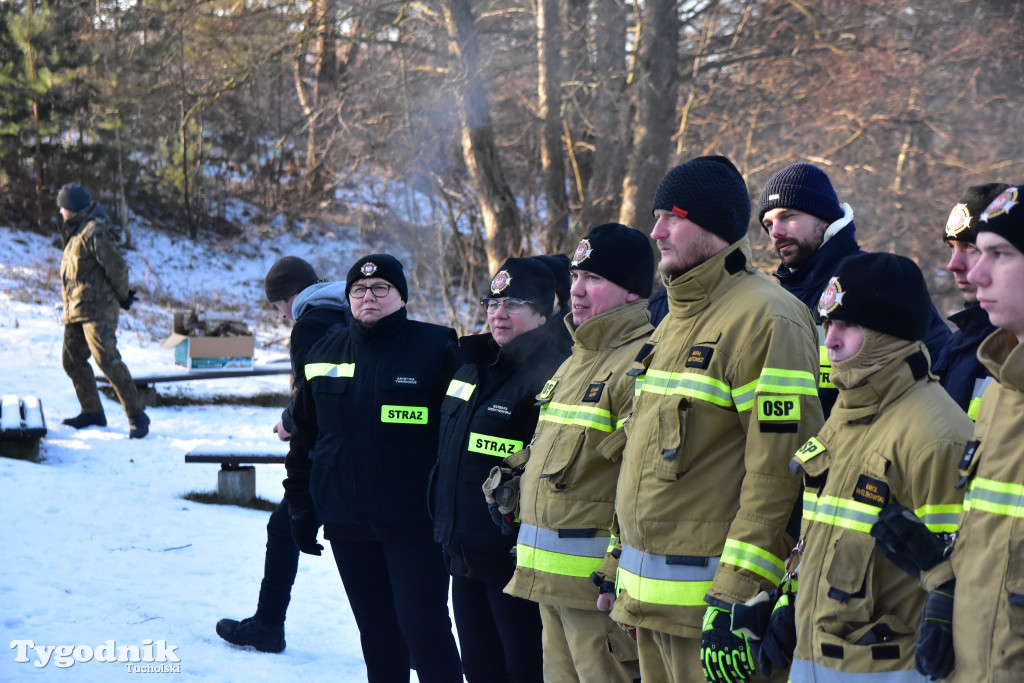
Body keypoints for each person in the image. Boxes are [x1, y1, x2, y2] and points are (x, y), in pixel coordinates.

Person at [611, 156, 824, 683]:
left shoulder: (767, 318)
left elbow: (779, 474)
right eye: (656, 216)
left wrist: (737, 596)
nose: (655, 231)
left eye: (672, 217)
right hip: (646, 606)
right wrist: (618, 567)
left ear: (713, 227)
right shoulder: (670, 320)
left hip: (712, 615)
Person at [776, 253, 972, 682]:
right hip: (815, 664)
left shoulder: (937, 436)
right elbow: (821, 542)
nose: (830, 340)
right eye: (828, 324)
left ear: (890, 334)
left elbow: (957, 579)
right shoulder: (843, 417)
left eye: (848, 325)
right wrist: (788, 604)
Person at [283, 254, 463, 682]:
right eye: (359, 290)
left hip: (415, 524)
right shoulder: (323, 351)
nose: (369, 297)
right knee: (377, 637)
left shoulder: (436, 348)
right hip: (347, 522)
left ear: (402, 297)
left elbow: (455, 438)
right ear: (348, 298)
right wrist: (299, 508)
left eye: (381, 288)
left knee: (426, 634)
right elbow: (305, 437)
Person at [883, 185, 1024, 681]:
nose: (963, 267)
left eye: (991, 252)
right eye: (960, 248)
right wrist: (947, 583)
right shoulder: (984, 361)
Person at [504, 223, 655, 683]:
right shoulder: (575, 360)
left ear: (631, 292)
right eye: (574, 278)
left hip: (598, 590)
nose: (577, 291)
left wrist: (615, 565)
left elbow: (643, 483)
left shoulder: (643, 362)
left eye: (594, 279)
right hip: (548, 582)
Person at [431, 257, 568, 683]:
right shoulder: (472, 363)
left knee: (523, 668)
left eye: (513, 303)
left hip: (514, 559)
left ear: (544, 313)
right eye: (493, 302)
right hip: (463, 549)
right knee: (478, 667)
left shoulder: (555, 372)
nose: (497, 313)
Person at [216, 256, 348, 653]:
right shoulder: (346, 308)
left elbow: (311, 393)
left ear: (291, 296)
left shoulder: (312, 323)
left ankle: (268, 627)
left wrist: (291, 422)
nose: (281, 316)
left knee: (286, 528)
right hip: (356, 449)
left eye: (277, 307)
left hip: (331, 456)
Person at [758, 163, 951, 417]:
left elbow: (938, 365)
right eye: (768, 224)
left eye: (788, 216)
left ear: (823, 216)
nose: (776, 233)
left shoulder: (877, 279)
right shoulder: (779, 299)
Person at [56, 183, 149, 439]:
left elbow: (116, 266)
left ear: (72, 208)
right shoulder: (75, 234)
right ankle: (92, 412)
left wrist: (123, 295)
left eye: (63, 207)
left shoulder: (93, 230)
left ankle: (137, 415)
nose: (61, 212)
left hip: (98, 310)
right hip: (77, 311)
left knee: (107, 359)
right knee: (72, 360)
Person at [932, 183, 1008, 419]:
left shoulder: (1011, 347)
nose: (953, 264)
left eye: (971, 247)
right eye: (951, 248)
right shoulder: (955, 346)